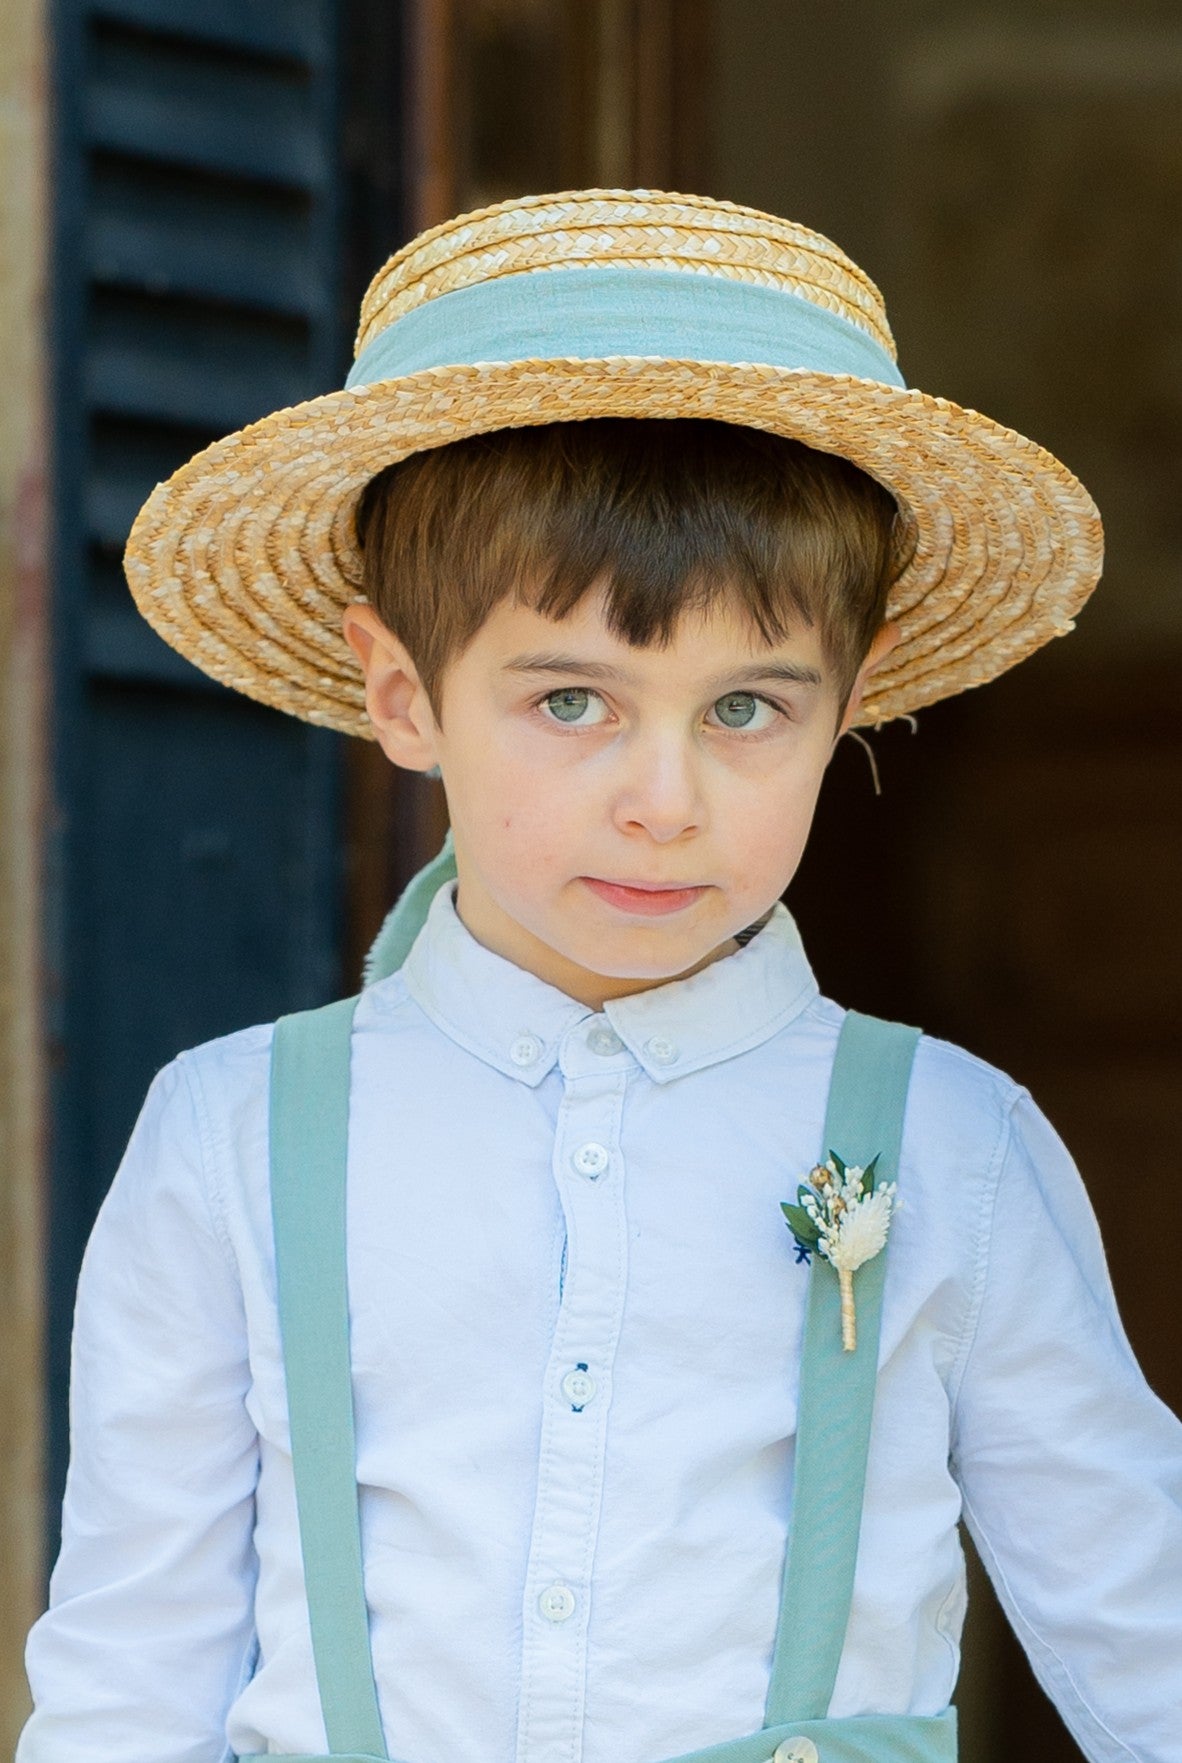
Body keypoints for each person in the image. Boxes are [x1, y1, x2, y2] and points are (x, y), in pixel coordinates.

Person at [18, 190, 1181, 1763]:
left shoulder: (954, 1150)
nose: (664, 797)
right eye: (572, 701)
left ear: (848, 707)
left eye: (747, 709)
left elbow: (1141, 1627)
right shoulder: (230, 1139)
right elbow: (128, 1674)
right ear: (401, 695)